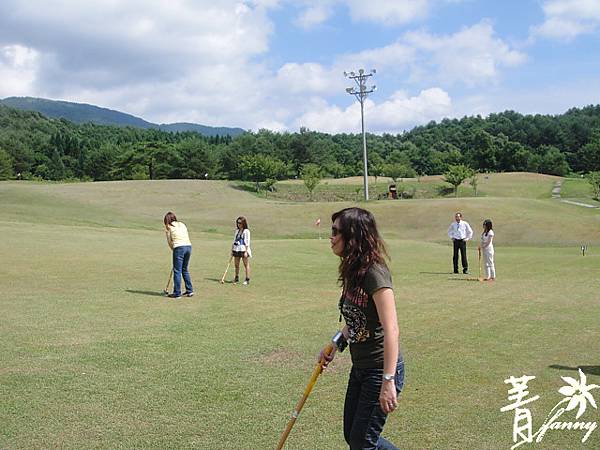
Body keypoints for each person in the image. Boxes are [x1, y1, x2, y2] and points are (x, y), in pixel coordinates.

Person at [320, 207, 404, 450]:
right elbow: (356, 320)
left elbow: (392, 329)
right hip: (361, 368)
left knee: (362, 442)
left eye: (336, 231)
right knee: (354, 437)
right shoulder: (352, 270)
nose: (331, 237)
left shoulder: (374, 273)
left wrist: (388, 381)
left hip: (380, 369)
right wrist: (335, 344)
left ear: (353, 236)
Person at [164, 211, 193, 299]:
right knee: (184, 269)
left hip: (179, 248)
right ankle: (190, 290)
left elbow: (170, 242)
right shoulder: (182, 224)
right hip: (188, 247)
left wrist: (174, 250)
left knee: (177, 271)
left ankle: (177, 293)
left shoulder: (169, 227)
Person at [232, 216, 252, 285]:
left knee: (246, 265)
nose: (238, 224)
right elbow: (234, 240)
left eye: (240, 223)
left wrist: (246, 251)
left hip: (243, 249)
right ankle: (236, 278)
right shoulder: (237, 231)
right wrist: (232, 250)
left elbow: (247, 242)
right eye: (237, 223)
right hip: (236, 249)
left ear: (243, 223)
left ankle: (247, 279)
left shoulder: (246, 231)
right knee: (236, 265)